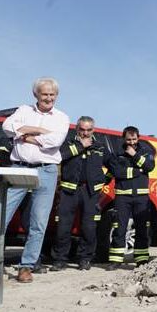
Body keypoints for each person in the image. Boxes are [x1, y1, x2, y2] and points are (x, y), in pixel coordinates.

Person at [0, 77, 68, 283]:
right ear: (36, 95)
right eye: (45, 94)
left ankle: (26, 267)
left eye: (52, 94)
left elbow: (54, 142)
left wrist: (25, 133)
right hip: (19, 168)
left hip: (47, 171)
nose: (49, 98)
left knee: (38, 223)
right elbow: (8, 126)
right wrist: (40, 131)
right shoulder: (24, 110)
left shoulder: (61, 117)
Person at [50, 116, 110, 271]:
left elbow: (114, 165)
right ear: (77, 129)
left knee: (89, 228)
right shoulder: (68, 143)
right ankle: (60, 259)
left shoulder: (100, 147)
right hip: (69, 191)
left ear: (93, 130)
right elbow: (59, 157)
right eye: (82, 129)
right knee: (63, 226)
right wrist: (80, 146)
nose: (85, 133)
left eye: (89, 130)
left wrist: (103, 181)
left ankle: (85, 259)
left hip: (90, 192)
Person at [105, 126, 155, 270]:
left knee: (141, 228)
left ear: (138, 138)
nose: (131, 142)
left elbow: (149, 166)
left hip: (141, 196)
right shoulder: (117, 153)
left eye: (134, 139)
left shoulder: (145, 151)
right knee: (119, 228)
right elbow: (116, 172)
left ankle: (141, 260)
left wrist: (134, 155)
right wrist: (138, 171)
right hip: (122, 196)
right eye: (128, 139)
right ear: (123, 139)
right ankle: (115, 260)